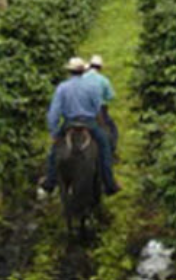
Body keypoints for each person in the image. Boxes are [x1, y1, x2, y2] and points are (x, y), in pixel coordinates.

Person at [38, 57, 120, 198]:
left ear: (69, 71)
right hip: (89, 123)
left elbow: (54, 113)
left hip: (69, 123)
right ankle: (109, 184)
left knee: (53, 154)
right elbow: (97, 107)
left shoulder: (62, 87)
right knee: (105, 148)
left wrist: (54, 131)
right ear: (83, 71)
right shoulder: (92, 87)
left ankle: (49, 184)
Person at [82, 54, 118, 152]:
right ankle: (111, 151)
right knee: (112, 128)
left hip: (83, 108)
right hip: (100, 109)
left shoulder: (82, 78)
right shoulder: (103, 80)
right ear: (100, 68)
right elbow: (111, 96)